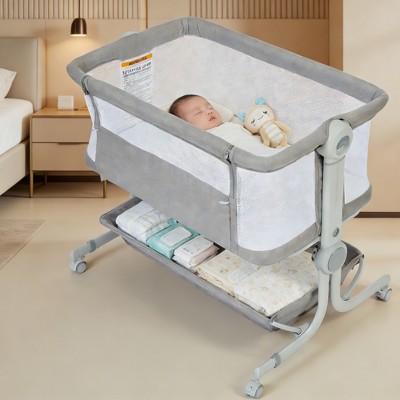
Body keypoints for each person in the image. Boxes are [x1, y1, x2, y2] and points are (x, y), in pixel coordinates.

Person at [169, 94, 275, 155]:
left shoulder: (232, 125)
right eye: (198, 113)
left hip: (264, 153)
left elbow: (253, 137)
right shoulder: (201, 140)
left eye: (210, 108)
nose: (209, 111)